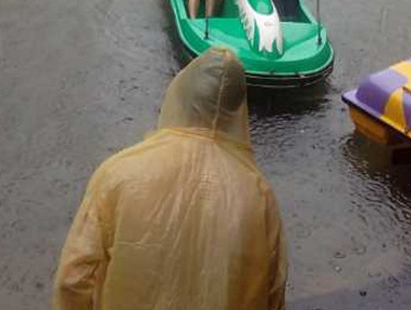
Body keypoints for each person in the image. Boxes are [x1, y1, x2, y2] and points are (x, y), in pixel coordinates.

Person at [52, 47, 287, 310]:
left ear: (180, 95)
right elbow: (273, 288)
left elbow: (74, 278)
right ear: (237, 110)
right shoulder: (257, 193)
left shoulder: (119, 173)